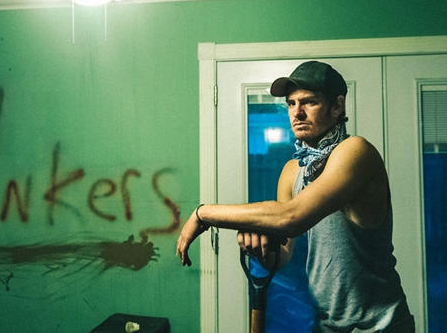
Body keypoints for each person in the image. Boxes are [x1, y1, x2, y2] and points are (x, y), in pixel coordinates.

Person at [176, 61, 414, 333]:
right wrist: (261, 247)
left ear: (337, 106)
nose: (297, 113)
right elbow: (283, 254)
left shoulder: (355, 152)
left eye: (309, 102)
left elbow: (291, 217)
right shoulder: (292, 171)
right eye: (291, 103)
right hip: (327, 326)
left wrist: (203, 213)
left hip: (379, 326)